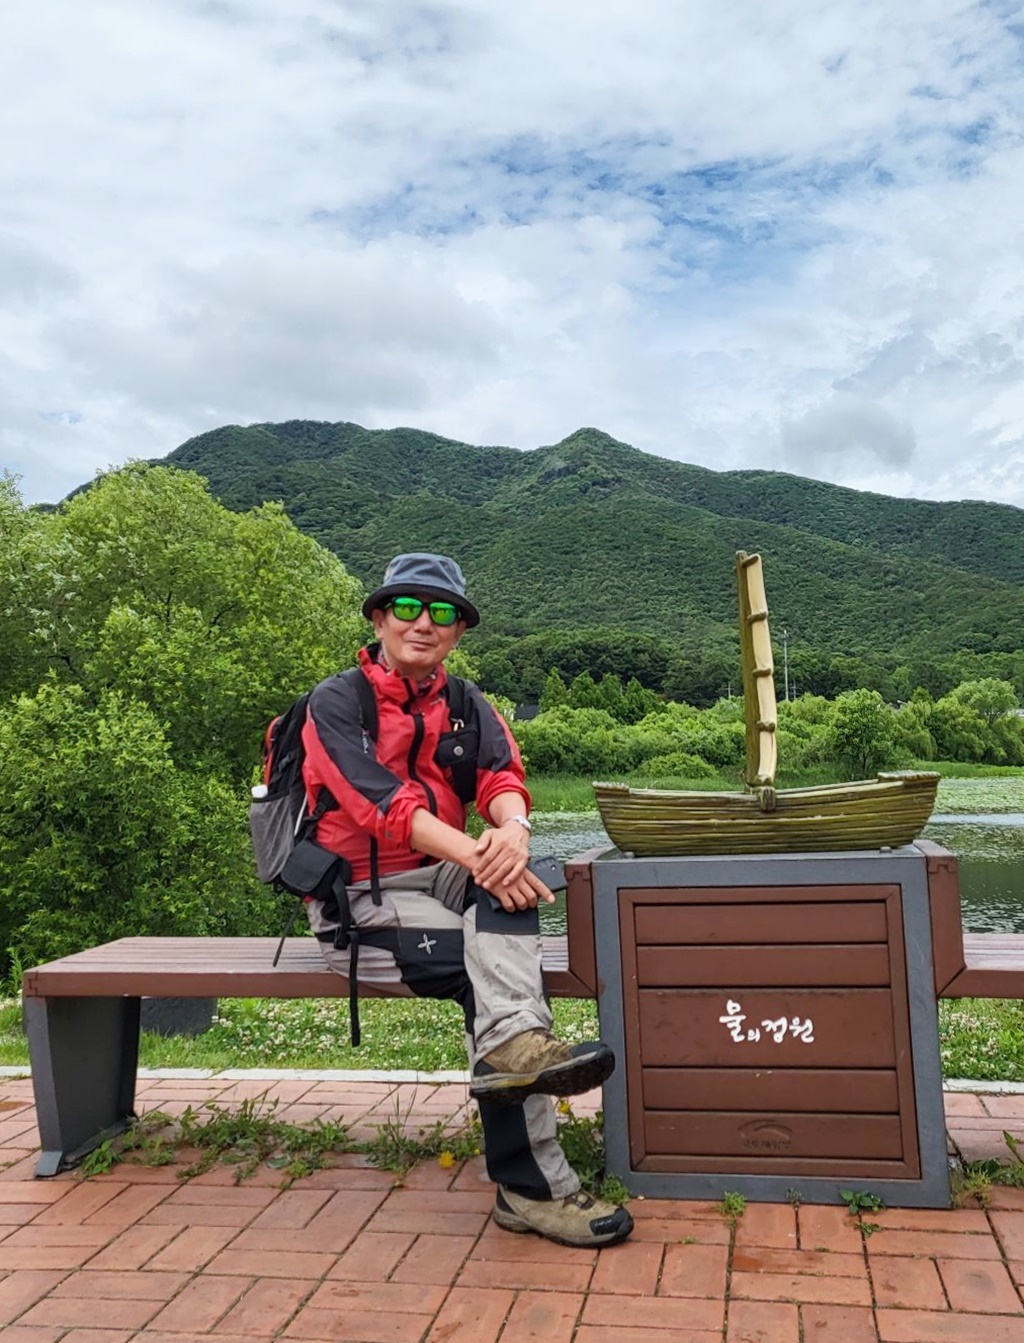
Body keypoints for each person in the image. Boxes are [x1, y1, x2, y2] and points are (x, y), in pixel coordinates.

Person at [299, 552, 633, 1248]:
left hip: (446, 873)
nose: (423, 622)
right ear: (379, 619)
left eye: (442, 612)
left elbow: (502, 775)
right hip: (360, 900)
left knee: (520, 885)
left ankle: (515, 1055)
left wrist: (512, 830)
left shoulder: (465, 702)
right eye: (407, 607)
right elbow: (384, 807)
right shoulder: (335, 704)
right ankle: (533, 1188)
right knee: (497, 981)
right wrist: (483, 854)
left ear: (457, 631)